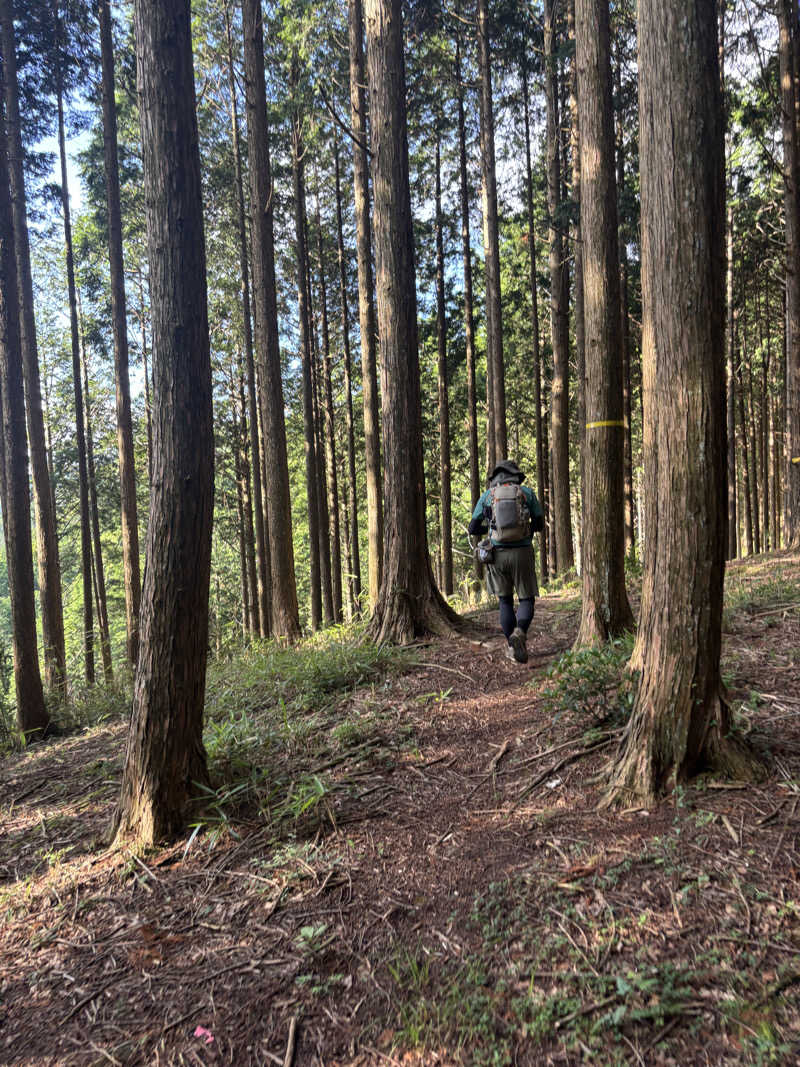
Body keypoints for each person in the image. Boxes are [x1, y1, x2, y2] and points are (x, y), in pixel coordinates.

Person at [468, 459, 544, 663]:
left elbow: (473, 528)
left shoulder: (489, 495)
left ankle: (512, 648)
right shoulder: (526, 493)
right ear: (515, 476)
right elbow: (540, 524)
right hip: (522, 553)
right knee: (527, 598)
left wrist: (492, 529)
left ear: (496, 478)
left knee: (505, 601)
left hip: (497, 555)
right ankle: (519, 632)